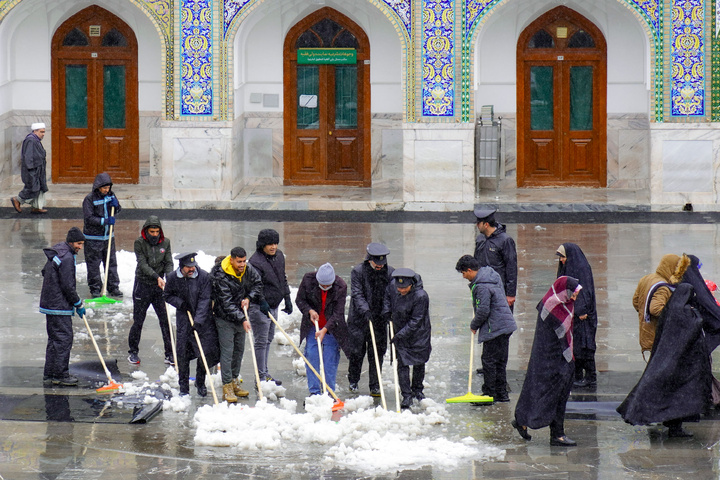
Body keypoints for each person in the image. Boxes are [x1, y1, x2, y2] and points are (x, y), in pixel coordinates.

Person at [617, 283, 711, 438]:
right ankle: (675, 428)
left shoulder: (670, 309)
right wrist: (697, 316)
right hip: (682, 365)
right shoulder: (685, 313)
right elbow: (693, 328)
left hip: (671, 361)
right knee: (678, 397)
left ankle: (672, 425)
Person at [512, 276, 581, 447]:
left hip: (559, 358)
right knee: (553, 395)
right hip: (552, 359)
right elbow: (561, 332)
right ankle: (556, 434)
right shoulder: (552, 305)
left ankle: (524, 420)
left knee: (548, 393)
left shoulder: (564, 303)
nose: (574, 297)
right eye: (573, 293)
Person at [455, 255, 516, 402]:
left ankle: (489, 394)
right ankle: (502, 393)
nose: (464, 277)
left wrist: (474, 324)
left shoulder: (481, 286)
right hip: (505, 325)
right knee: (500, 361)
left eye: (463, 273)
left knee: (489, 361)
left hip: (495, 327)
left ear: (469, 270)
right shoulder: (492, 276)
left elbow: (483, 310)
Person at [211, 247, 266, 403]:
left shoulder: (247, 270)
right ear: (232, 259)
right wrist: (242, 319)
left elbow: (257, 284)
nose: (242, 264)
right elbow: (225, 303)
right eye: (239, 261)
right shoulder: (221, 275)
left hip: (240, 316)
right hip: (225, 318)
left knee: (239, 351)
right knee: (227, 353)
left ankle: (235, 381)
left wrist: (249, 298)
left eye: (244, 261)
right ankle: (227, 385)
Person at [164, 252, 219, 397]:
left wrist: (199, 321)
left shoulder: (204, 277)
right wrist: (181, 303)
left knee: (205, 353)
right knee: (183, 355)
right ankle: (183, 387)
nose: (192, 269)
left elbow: (205, 299)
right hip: (184, 321)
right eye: (188, 267)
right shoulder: (172, 278)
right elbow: (167, 295)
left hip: (203, 322)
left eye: (193, 266)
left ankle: (200, 382)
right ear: (181, 266)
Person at [39, 227, 86, 386]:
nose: (80, 247)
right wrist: (78, 303)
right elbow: (68, 285)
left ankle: (50, 373)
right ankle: (61, 375)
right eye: (78, 243)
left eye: (82, 244)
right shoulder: (67, 258)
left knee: (54, 340)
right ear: (71, 242)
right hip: (59, 306)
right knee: (64, 339)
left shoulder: (58, 252)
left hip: (49, 303)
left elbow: (45, 271)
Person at [347, 242, 395, 396]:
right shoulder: (358, 272)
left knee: (377, 353)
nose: (380, 266)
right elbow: (357, 293)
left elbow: (391, 295)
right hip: (360, 320)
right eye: (377, 262)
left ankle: (375, 384)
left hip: (379, 320)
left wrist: (387, 312)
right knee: (357, 352)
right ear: (369, 259)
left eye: (382, 263)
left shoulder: (390, 273)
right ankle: (353, 381)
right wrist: (365, 310)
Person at [296, 263, 350, 396]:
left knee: (329, 361)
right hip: (312, 326)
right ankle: (314, 392)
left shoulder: (340, 286)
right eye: (322, 285)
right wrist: (310, 311)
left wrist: (325, 329)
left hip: (332, 328)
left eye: (328, 285)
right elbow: (300, 300)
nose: (325, 288)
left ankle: (329, 392)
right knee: (311, 356)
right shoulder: (308, 280)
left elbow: (338, 313)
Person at [382, 268, 432, 409]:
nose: (401, 290)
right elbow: (387, 297)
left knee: (419, 362)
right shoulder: (393, 286)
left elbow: (416, 320)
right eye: (399, 287)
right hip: (399, 330)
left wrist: (400, 335)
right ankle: (406, 395)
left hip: (418, 334)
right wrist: (386, 311)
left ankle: (417, 390)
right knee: (402, 363)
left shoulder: (421, 296)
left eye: (405, 288)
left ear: (412, 284)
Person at [127, 216, 173, 365]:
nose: (154, 234)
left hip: (159, 287)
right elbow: (142, 264)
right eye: (152, 231)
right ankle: (133, 352)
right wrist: (156, 276)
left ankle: (170, 353)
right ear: (146, 231)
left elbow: (168, 262)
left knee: (165, 321)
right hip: (143, 284)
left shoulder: (166, 243)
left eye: (157, 231)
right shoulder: (139, 243)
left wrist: (169, 278)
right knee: (138, 321)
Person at [248, 229, 292, 385]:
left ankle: (264, 373)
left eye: (275, 243)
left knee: (268, 339)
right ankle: (260, 376)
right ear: (262, 245)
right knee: (261, 340)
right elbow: (255, 285)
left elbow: (282, 278)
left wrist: (287, 297)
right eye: (269, 244)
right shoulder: (255, 262)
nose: (273, 247)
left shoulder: (279, 256)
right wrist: (262, 302)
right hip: (259, 307)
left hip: (274, 304)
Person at [556, 243, 598, 388]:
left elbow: (585, 291)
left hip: (582, 315)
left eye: (563, 257)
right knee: (576, 344)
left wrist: (581, 310)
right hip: (573, 314)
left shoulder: (581, 269)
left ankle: (591, 376)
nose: (561, 260)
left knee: (584, 344)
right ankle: (578, 374)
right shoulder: (571, 267)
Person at [632, 254, 685, 356]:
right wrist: (675, 312)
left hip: (645, 330)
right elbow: (655, 309)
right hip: (656, 334)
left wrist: (644, 313)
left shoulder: (646, 278)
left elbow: (635, 302)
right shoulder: (663, 287)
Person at [82, 172, 122, 298]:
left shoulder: (111, 196)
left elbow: (117, 210)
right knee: (93, 265)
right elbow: (89, 218)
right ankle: (95, 289)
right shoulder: (89, 199)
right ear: (98, 186)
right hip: (93, 238)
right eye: (104, 188)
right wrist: (104, 221)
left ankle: (113, 287)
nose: (106, 190)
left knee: (111, 263)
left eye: (108, 188)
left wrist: (116, 206)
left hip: (108, 236)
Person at [473, 208, 517, 311]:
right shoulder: (480, 239)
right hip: (482, 290)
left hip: (499, 290)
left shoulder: (505, 241)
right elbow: (476, 263)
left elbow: (511, 267)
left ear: (486, 224)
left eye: (479, 223)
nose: (477, 225)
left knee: (501, 323)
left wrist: (510, 294)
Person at [12, 122, 48, 214]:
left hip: (37, 169)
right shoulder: (31, 140)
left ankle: (36, 207)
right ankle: (18, 199)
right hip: (32, 170)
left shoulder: (35, 140)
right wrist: (31, 170)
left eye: (44, 132)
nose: (43, 134)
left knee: (39, 187)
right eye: (41, 132)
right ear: (35, 131)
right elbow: (28, 156)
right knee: (32, 187)